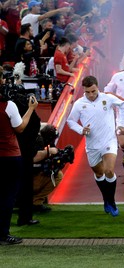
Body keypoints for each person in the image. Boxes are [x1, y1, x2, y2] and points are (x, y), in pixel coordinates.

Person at [67, 75, 124, 216]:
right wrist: (81, 130)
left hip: (109, 141)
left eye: (93, 91)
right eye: (87, 92)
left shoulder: (107, 98)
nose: (91, 95)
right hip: (92, 144)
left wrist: (122, 124)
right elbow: (70, 122)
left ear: (97, 88)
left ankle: (111, 202)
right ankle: (106, 200)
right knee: (99, 173)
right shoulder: (79, 104)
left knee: (109, 171)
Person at [0, 66, 38, 244]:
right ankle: (3, 234)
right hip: (9, 155)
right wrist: (30, 109)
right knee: (8, 196)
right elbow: (21, 127)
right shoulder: (9, 105)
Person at [32, 124, 67, 213]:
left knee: (56, 173)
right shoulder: (37, 140)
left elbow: (54, 151)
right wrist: (48, 152)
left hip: (36, 173)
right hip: (28, 174)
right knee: (57, 175)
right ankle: (34, 201)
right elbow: (33, 158)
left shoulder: (47, 141)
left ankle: (36, 202)